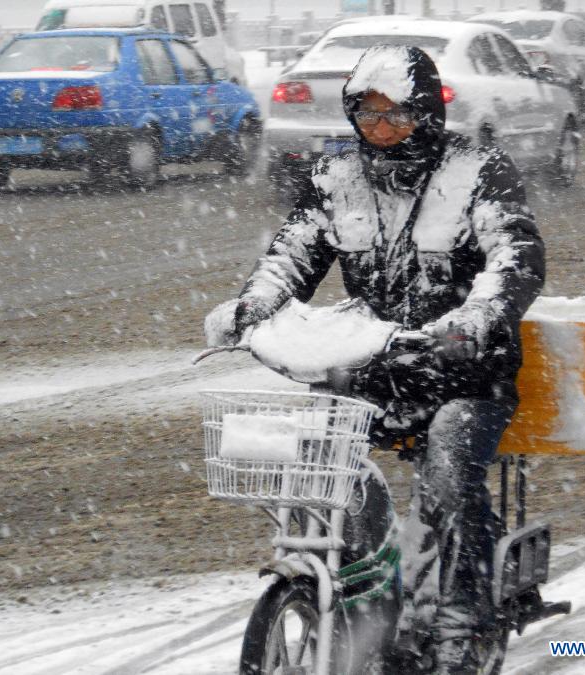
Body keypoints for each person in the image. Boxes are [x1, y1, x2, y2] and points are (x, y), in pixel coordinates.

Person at [205, 45, 545, 673]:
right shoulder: (337, 181)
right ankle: (362, 588)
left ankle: (457, 626)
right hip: (373, 370)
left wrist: (473, 320)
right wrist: (253, 306)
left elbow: (514, 257)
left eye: (395, 116)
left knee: (448, 466)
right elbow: (293, 255)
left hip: (465, 374)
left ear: (425, 112)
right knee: (321, 461)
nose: (380, 130)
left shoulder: (478, 172)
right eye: (367, 116)